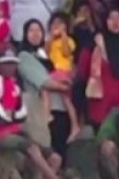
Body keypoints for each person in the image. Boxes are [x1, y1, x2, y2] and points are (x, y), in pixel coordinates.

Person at [0, 48, 66, 179]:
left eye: (13, 64)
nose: (11, 68)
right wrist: (10, 116)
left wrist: (11, 116)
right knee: (30, 146)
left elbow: (21, 112)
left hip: (14, 131)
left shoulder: (15, 85)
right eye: (7, 64)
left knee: (55, 158)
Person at [18, 20, 78, 156]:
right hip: (42, 112)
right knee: (49, 152)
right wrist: (63, 86)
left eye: (39, 30)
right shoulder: (24, 56)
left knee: (61, 152)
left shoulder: (47, 55)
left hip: (61, 108)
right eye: (31, 31)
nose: (35, 34)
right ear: (25, 34)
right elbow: (43, 82)